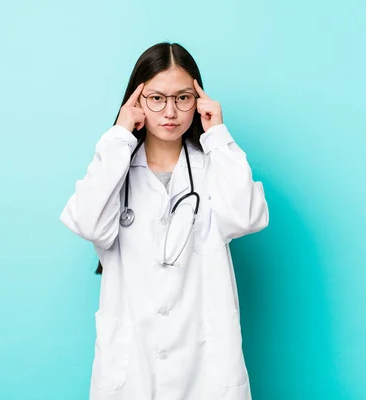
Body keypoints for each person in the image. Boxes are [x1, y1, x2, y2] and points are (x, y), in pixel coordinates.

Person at [60, 42, 269, 400]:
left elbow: (248, 217)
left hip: (204, 367)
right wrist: (120, 136)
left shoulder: (213, 167)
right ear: (136, 101)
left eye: (183, 98)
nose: (170, 111)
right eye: (156, 98)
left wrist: (217, 135)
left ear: (199, 101)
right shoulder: (116, 171)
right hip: (132, 368)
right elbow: (87, 222)